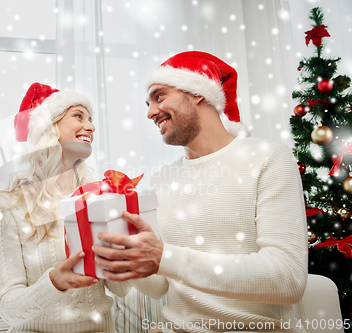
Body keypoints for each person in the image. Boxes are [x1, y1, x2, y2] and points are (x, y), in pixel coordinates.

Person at [92, 52, 308, 332]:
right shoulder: (161, 180)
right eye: (148, 103)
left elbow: (287, 279)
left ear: (198, 93)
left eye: (159, 97)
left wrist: (163, 257)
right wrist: (125, 256)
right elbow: (159, 286)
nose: (150, 113)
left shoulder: (268, 158)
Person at [0, 82, 130, 333]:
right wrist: (54, 282)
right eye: (78, 116)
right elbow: (8, 309)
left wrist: (123, 252)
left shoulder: (99, 197)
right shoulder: (9, 206)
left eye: (91, 119)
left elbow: (120, 289)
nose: (91, 127)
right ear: (49, 128)